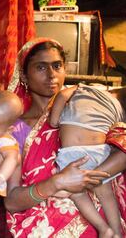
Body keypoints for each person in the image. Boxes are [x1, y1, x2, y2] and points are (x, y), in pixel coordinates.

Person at [3, 37, 126, 237]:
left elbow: (122, 149)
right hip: (43, 225)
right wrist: (58, 182)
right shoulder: (16, 129)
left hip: (102, 219)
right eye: (41, 67)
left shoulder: (85, 107)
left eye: (57, 66)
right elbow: (12, 202)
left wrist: (85, 179)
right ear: (24, 76)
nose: (51, 74)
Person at [49, 83, 125, 237]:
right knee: (106, 192)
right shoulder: (118, 110)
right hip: (99, 152)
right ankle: (117, 231)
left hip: (72, 154)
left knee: (77, 194)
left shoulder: (83, 87)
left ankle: (103, 228)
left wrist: (54, 119)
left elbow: (62, 95)